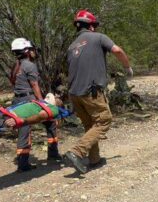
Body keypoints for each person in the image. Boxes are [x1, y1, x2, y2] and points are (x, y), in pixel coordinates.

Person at [63, 10, 132, 174]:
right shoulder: (98, 37)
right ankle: (77, 152)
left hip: (74, 94)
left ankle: (94, 159)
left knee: (90, 125)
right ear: (92, 26)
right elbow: (117, 50)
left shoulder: (71, 46)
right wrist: (127, 67)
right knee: (104, 121)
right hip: (91, 91)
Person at [9, 38, 61, 171]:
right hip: (29, 100)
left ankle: (25, 162)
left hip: (17, 100)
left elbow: (13, 82)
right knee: (46, 122)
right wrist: (42, 102)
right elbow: (34, 84)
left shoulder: (16, 66)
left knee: (27, 128)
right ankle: (28, 162)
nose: (34, 52)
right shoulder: (30, 65)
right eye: (31, 50)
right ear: (26, 51)